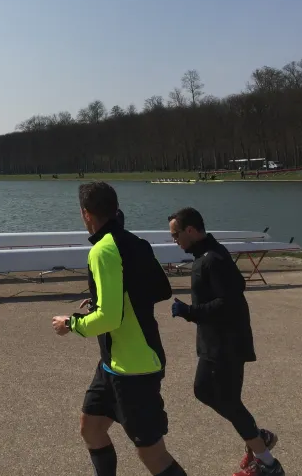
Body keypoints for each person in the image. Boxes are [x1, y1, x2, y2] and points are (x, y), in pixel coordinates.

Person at [51, 182, 186, 476]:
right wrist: (108, 297)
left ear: (86, 213)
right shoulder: (137, 243)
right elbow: (161, 289)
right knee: (91, 428)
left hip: (134, 368)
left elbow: (109, 319)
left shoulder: (102, 250)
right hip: (112, 364)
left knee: (152, 454)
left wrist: (70, 323)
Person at [168, 207, 284, 476]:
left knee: (225, 399)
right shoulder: (207, 255)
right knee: (207, 392)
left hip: (226, 344)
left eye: (176, 235)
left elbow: (228, 303)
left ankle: (267, 463)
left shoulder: (213, 258)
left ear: (190, 230)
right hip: (215, 342)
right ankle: (258, 439)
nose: (174, 240)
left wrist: (190, 312)